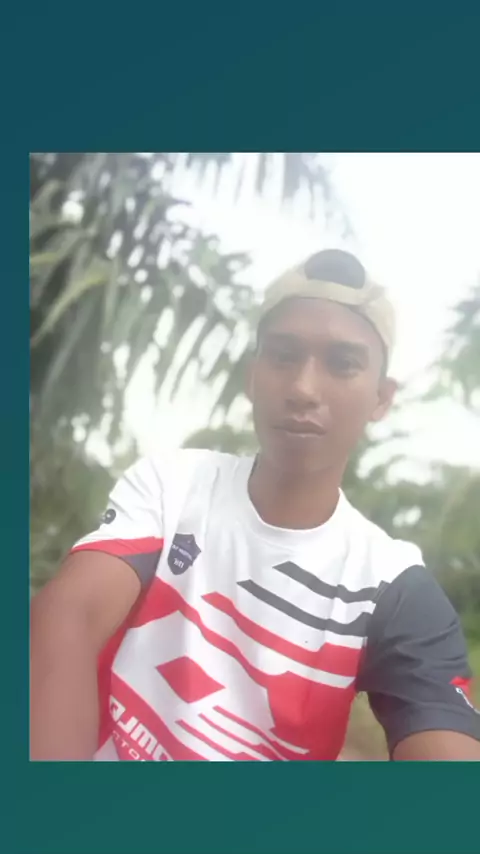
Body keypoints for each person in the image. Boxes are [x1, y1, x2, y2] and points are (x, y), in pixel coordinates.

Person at [30, 248, 480, 762]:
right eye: (283, 356)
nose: (303, 388)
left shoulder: (393, 586)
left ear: (381, 398)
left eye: (343, 364)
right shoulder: (175, 486)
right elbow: (68, 615)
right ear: (251, 376)